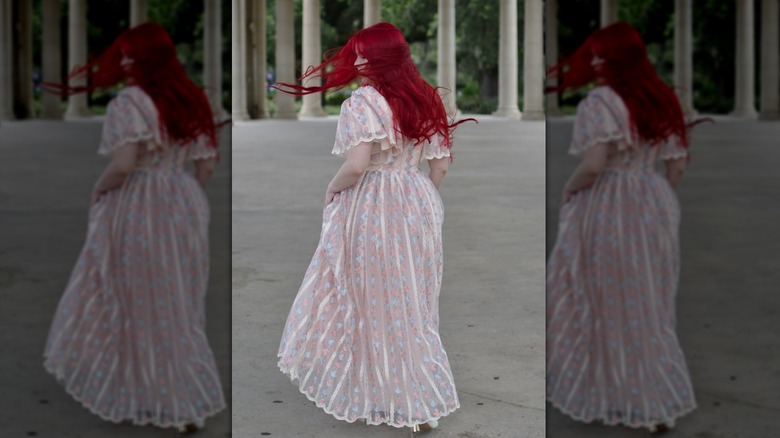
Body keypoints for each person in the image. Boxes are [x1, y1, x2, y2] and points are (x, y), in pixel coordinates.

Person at [274, 22, 472, 433]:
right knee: (413, 302)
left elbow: (357, 165)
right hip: (418, 202)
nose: (358, 61)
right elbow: (440, 164)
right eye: (357, 53)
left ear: (384, 58)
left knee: (371, 299)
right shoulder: (427, 100)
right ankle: (418, 401)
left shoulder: (363, 102)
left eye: (366, 54)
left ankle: (387, 393)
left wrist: (332, 190)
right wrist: (419, 197)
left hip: (374, 204)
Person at [42, 23, 226, 433]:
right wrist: (185, 195)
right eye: (122, 53)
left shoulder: (130, 101)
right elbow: (207, 163)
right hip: (184, 200)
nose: (124, 61)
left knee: (135, 299)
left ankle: (150, 392)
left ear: (147, 58)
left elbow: (124, 165)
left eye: (131, 54)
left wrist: (99, 188)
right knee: (180, 300)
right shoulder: (193, 98)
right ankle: (186, 401)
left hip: (139, 204)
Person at [545, 22, 697, 433]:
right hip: (655, 199)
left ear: (615, 59)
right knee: (650, 299)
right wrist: (654, 194)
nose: (593, 60)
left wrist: (568, 190)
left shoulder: (601, 101)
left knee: (605, 298)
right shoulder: (664, 98)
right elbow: (678, 163)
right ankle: (655, 401)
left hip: (609, 203)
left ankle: (617, 392)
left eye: (600, 54)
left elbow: (594, 165)